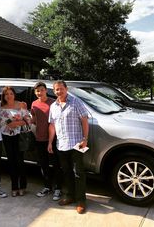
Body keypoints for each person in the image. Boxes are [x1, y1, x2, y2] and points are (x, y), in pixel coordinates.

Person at [48, 80, 89, 214]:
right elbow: (52, 126)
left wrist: (85, 139)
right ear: (54, 91)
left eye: (61, 88)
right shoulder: (53, 106)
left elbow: (84, 120)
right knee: (66, 172)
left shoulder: (76, 102)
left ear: (66, 88)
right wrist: (50, 142)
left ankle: (81, 200)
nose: (59, 91)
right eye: (56, 90)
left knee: (79, 173)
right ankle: (70, 196)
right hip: (61, 144)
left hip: (77, 143)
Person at [31, 81, 62, 201]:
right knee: (43, 165)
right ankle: (47, 186)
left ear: (46, 90)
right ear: (35, 92)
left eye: (42, 90)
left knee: (56, 164)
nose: (40, 92)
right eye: (37, 91)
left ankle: (58, 188)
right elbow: (34, 118)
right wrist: (25, 118)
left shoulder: (54, 103)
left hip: (53, 138)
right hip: (39, 138)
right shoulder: (34, 104)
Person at [0, 86, 31, 197]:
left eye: (11, 93)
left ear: (14, 94)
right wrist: (10, 122)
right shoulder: (1, 106)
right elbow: (2, 120)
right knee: (11, 161)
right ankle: (14, 187)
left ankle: (22, 186)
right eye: (6, 94)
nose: (9, 96)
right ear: (4, 96)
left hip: (19, 136)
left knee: (20, 161)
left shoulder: (21, 105)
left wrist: (15, 123)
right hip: (7, 136)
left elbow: (27, 119)